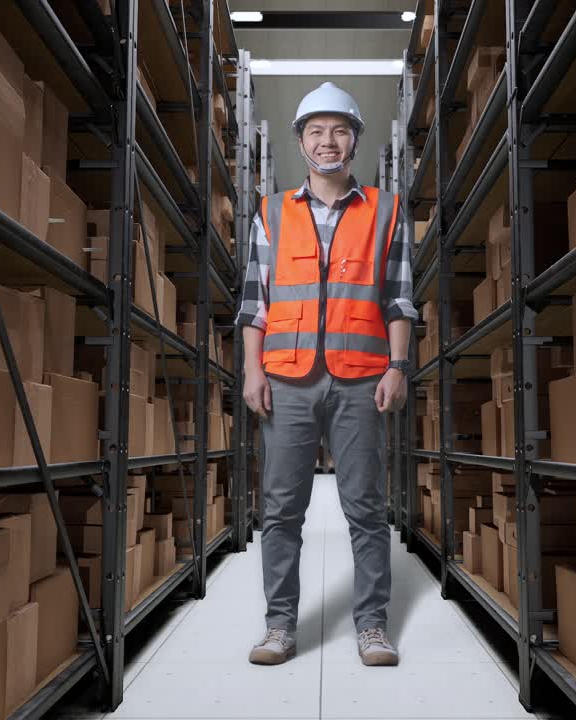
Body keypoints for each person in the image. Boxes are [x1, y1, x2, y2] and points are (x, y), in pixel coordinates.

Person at [234, 82, 416, 667]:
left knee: (365, 507)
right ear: (301, 141)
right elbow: (253, 304)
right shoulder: (271, 212)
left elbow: (399, 299)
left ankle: (372, 626)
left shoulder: (385, 210)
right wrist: (250, 371)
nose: (328, 141)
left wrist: (399, 367)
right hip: (285, 377)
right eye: (316, 131)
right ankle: (279, 626)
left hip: (362, 377)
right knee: (282, 509)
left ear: (355, 140)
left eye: (340, 130)